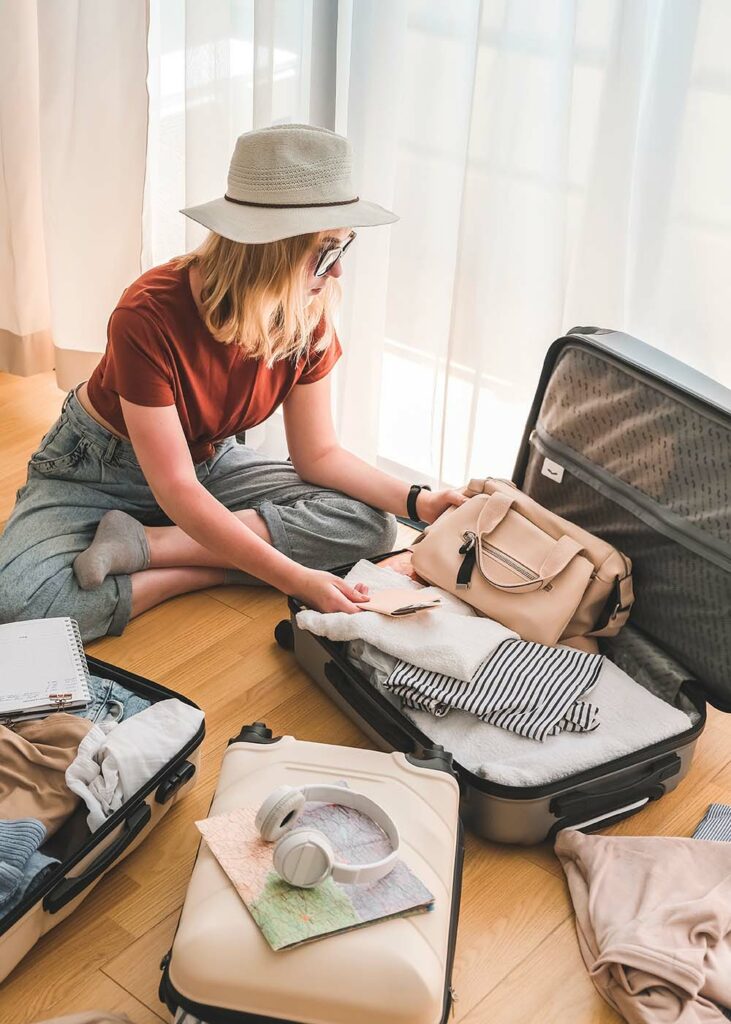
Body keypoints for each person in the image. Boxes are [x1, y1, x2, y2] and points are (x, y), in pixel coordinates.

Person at [0, 124, 466, 642]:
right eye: (327, 252)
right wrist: (293, 576)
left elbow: (319, 455)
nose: (337, 274)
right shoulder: (147, 313)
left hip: (204, 465)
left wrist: (420, 502)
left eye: (344, 248)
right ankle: (199, 569)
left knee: (374, 524)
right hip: (99, 466)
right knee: (24, 606)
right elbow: (174, 488)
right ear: (273, 250)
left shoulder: (306, 313)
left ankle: (148, 546)